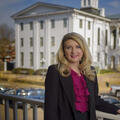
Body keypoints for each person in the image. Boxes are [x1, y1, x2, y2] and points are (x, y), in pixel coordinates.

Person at [44, 32, 120, 120]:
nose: (74, 51)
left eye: (78, 47)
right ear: (63, 51)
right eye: (69, 48)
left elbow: (95, 101)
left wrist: (116, 109)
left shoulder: (90, 71)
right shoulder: (55, 71)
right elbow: (50, 107)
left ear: (83, 50)